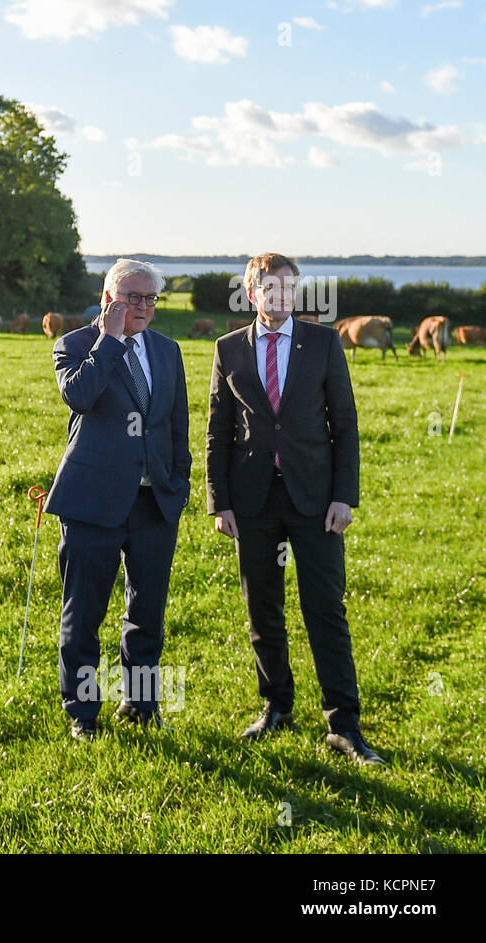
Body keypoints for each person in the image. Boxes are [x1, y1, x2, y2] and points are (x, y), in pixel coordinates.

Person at [207, 252, 384, 765]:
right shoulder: (228, 349)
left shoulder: (324, 343)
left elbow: (345, 425)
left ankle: (343, 724)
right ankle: (276, 705)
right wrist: (220, 502)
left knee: (325, 610)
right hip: (253, 500)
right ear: (251, 292)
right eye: (271, 287)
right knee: (263, 609)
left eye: (290, 288)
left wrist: (343, 496)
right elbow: (218, 432)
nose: (281, 297)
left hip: (315, 498)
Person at [46, 258, 191, 740]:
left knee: (147, 613)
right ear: (109, 299)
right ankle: (83, 714)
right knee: (84, 613)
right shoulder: (75, 344)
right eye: (133, 297)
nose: (144, 307)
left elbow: (176, 424)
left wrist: (180, 482)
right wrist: (109, 340)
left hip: (155, 505)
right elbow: (80, 396)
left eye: (151, 298)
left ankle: (141, 703)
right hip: (93, 503)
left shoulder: (168, 350)